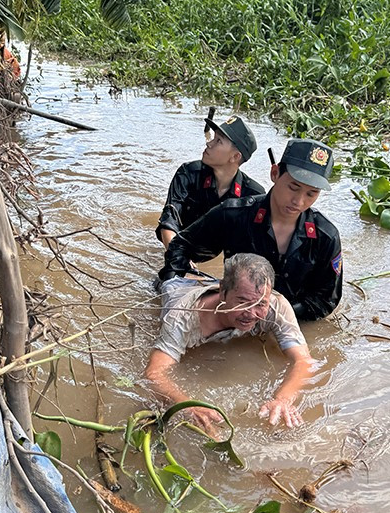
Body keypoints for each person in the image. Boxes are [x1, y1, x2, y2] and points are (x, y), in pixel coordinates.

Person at [159, 139, 342, 321]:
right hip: (234, 313)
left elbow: (326, 299)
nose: (299, 201)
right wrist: (175, 292)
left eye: (311, 193)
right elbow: (180, 247)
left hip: (287, 319)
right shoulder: (233, 215)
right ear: (275, 173)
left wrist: (276, 315)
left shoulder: (325, 236)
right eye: (293, 187)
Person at [145, 253, 317, 434]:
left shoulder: (276, 305)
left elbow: (304, 361)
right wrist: (187, 406)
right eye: (242, 302)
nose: (251, 313)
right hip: (176, 289)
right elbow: (154, 373)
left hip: (210, 283)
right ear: (223, 293)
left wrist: (283, 399)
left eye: (260, 304)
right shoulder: (182, 319)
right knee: (171, 277)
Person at [156, 115, 266, 250]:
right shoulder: (189, 174)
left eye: (218, 141)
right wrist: (177, 256)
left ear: (235, 156)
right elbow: (169, 220)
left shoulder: (253, 196)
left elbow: (253, 246)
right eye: (213, 137)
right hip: (177, 245)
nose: (209, 143)